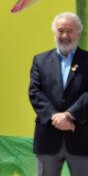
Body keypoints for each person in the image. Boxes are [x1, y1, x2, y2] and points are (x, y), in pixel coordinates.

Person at [29, 12, 88, 176]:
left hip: (81, 137)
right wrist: (55, 117)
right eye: (60, 30)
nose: (65, 35)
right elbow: (35, 92)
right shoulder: (40, 60)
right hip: (48, 137)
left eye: (69, 30)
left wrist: (69, 115)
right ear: (55, 33)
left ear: (78, 32)